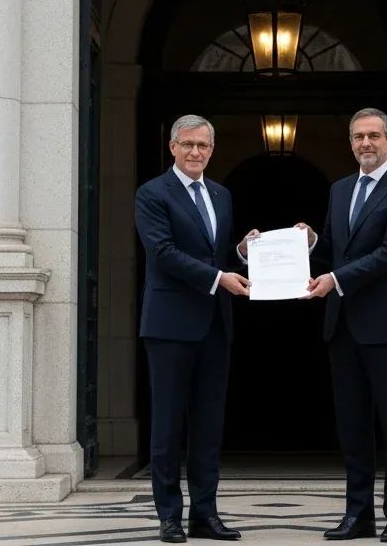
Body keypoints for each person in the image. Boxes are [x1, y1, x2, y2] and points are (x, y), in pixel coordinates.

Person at [306, 108, 387, 543]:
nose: (366, 144)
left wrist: (335, 279)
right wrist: (312, 243)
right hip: (343, 326)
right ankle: (358, 515)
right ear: (351, 142)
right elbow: (336, 249)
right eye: (358, 136)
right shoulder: (340, 189)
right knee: (353, 430)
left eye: (374, 135)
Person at [135, 114, 251, 543]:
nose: (195, 152)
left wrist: (240, 251)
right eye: (187, 144)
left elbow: (217, 253)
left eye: (202, 145)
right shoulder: (152, 193)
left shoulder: (221, 195)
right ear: (172, 147)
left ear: (212, 149)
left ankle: (206, 514)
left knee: (207, 426)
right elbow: (162, 252)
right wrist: (219, 278)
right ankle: (169, 515)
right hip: (169, 325)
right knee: (167, 425)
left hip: (215, 325)